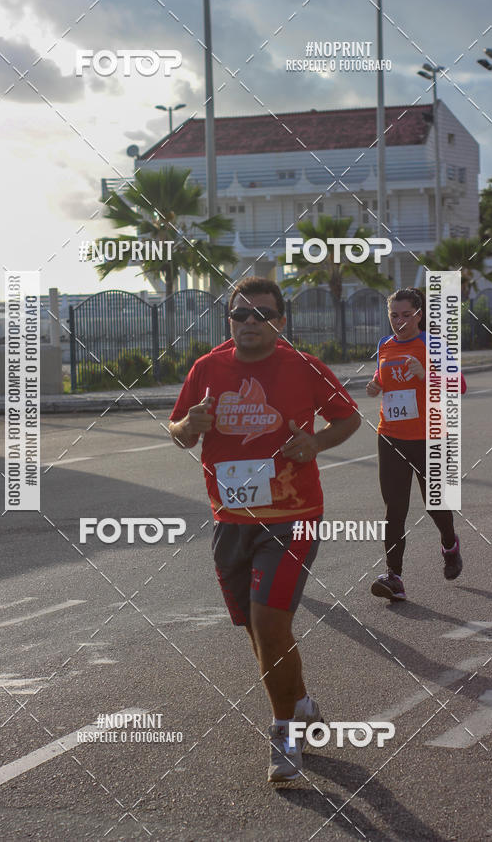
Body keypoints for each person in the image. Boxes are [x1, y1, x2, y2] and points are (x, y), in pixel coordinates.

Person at [169, 277, 361, 782]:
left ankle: (283, 733)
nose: (249, 322)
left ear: (280, 321)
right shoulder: (207, 368)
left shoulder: (304, 367)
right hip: (231, 519)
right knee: (256, 629)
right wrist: (190, 426)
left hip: (293, 518)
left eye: (262, 314)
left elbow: (348, 418)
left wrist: (315, 445)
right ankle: (299, 704)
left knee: (270, 623)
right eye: (240, 314)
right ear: (229, 319)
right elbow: (178, 434)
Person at [366, 287, 465, 602]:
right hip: (391, 436)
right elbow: (386, 378)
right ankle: (394, 576)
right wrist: (375, 384)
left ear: (419, 314)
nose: (399, 321)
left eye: (406, 315)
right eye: (393, 315)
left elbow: (459, 385)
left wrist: (427, 374)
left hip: (430, 437)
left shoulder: (434, 345)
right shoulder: (385, 345)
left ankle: (449, 545)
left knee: (435, 505)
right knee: (395, 510)